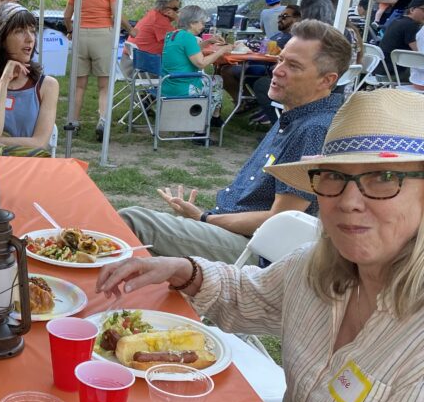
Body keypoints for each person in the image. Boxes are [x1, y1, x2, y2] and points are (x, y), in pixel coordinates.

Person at [98, 88, 424, 402]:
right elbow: (246, 294)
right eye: (335, 177)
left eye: (384, 178)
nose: (348, 200)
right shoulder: (323, 269)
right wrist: (181, 268)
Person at [118, 19, 350, 264]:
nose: (277, 70)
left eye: (293, 66)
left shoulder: (314, 128)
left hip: (256, 251)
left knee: (132, 221)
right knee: (141, 253)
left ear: (326, 80)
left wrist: (204, 219)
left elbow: (279, 220)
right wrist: (205, 218)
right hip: (231, 231)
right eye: (280, 59)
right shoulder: (298, 115)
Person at [0, 2, 58, 157]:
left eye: (32, 31)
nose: (30, 38)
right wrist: (4, 82)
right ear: (0, 39)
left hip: (31, 167)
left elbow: (40, 143)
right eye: (20, 31)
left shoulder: (47, 85)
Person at [62, 0, 134, 138]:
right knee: (104, 84)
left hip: (80, 36)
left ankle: (74, 122)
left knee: (79, 85)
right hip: (102, 35)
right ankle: (102, 121)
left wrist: (70, 30)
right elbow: (116, 12)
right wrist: (131, 30)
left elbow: (66, 15)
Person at [159, 5, 232, 127]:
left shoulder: (173, 35)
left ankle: (213, 118)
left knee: (213, 81)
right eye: (202, 23)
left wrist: (208, 42)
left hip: (168, 84)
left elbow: (188, 51)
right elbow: (201, 62)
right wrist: (222, 51)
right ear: (192, 23)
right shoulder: (189, 38)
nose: (203, 26)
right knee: (217, 81)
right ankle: (203, 125)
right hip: (185, 86)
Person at [247, 5, 302, 125]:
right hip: (273, 71)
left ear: (297, 19)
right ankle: (262, 109)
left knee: (260, 83)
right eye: (280, 16)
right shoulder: (280, 35)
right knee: (248, 72)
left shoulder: (295, 39)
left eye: (285, 16)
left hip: (292, 84)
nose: (279, 19)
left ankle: (279, 126)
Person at [379, 0, 424, 80]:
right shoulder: (411, 26)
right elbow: (420, 52)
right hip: (395, 73)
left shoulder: (397, 21)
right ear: (412, 10)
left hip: (381, 69)